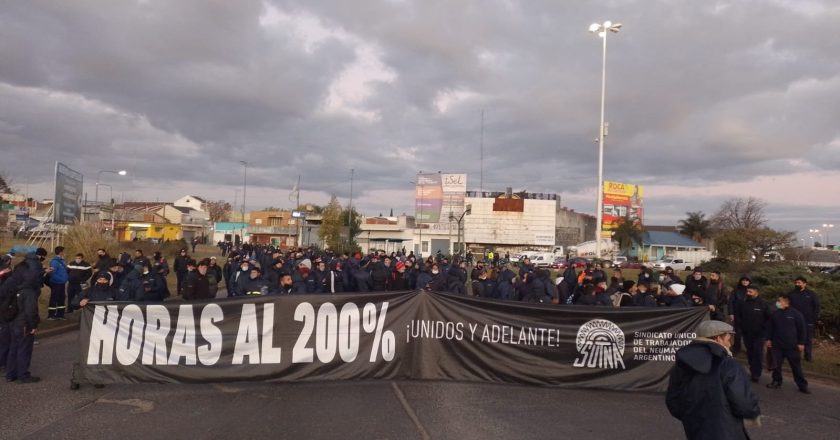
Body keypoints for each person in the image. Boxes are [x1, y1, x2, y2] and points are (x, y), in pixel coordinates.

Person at [666, 320, 760, 440]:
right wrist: (753, 412)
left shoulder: (682, 364)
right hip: (726, 431)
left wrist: (691, 417)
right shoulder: (728, 364)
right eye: (728, 339)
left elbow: (673, 400)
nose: (730, 344)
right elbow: (744, 403)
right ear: (718, 339)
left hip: (695, 430)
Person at [5, 249, 49, 384]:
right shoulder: (29, 292)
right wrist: (33, 326)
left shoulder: (15, 287)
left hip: (13, 322)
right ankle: (23, 375)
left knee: (13, 348)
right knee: (24, 349)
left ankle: (10, 374)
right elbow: (31, 311)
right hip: (24, 324)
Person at [766, 293, 809, 394]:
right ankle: (776, 381)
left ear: (786, 303)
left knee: (796, 366)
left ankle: (802, 385)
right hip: (777, 345)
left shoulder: (796, 314)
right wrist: (769, 339)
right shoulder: (775, 314)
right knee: (776, 365)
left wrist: (801, 343)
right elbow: (770, 328)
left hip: (792, 346)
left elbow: (802, 330)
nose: (778, 303)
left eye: (780, 301)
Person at [735, 285, 772, 383]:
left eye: (750, 292)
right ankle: (752, 369)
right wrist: (741, 327)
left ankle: (756, 374)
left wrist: (764, 329)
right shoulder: (744, 303)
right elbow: (738, 316)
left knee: (758, 353)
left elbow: (769, 318)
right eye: (747, 291)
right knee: (750, 353)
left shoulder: (763, 304)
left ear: (756, 292)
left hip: (759, 334)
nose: (748, 293)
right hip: (747, 333)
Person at [787, 276, 820, 362]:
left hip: (808, 320)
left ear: (804, 284)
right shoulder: (791, 294)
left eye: (799, 283)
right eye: (796, 283)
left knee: (808, 339)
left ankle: (808, 356)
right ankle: (794, 355)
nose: (797, 284)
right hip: (794, 320)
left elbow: (816, 307)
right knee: (794, 338)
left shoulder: (811, 294)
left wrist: (813, 318)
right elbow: (787, 306)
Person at [729, 276, 752, 355]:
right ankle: (736, 348)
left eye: (747, 281)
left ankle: (749, 349)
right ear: (741, 281)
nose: (745, 282)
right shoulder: (736, 291)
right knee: (738, 333)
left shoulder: (751, 291)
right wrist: (731, 313)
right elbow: (731, 302)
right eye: (744, 280)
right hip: (737, 314)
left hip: (748, 315)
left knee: (748, 332)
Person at [47, 246, 69, 320]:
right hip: (56, 283)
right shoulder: (55, 262)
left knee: (61, 299)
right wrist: (60, 279)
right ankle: (51, 315)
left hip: (61, 283)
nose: (64, 253)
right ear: (60, 252)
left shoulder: (62, 261)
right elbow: (52, 274)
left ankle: (60, 314)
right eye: (63, 251)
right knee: (54, 298)